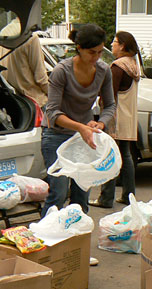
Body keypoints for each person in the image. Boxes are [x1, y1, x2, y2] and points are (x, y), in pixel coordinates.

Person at [41, 23, 116, 215]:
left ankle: (75, 241)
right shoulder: (62, 71)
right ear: (79, 48)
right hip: (56, 135)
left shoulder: (104, 71)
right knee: (57, 193)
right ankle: (47, 240)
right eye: (92, 52)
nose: (97, 57)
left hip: (85, 139)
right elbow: (52, 113)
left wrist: (100, 123)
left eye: (100, 52)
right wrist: (80, 127)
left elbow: (109, 105)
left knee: (81, 195)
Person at [89, 31, 141, 208]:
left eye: (115, 42)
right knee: (126, 155)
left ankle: (106, 198)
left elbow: (109, 95)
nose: (111, 45)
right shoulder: (134, 64)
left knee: (109, 155)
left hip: (115, 118)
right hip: (129, 117)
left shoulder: (118, 67)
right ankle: (128, 195)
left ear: (123, 46)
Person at [0, 19, 49, 108]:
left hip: (12, 99)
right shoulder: (30, 36)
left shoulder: (4, 32)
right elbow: (40, 78)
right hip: (33, 101)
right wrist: (56, 95)